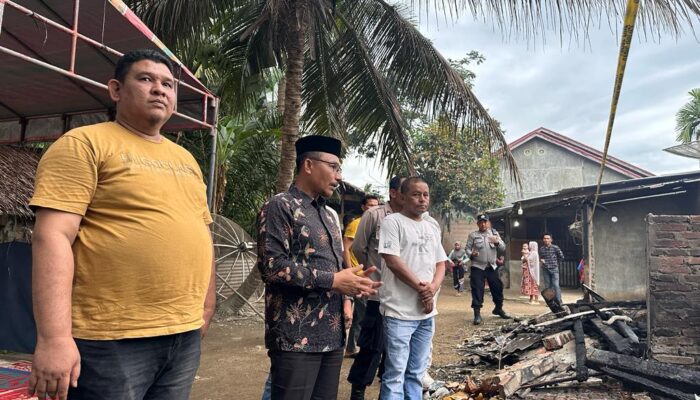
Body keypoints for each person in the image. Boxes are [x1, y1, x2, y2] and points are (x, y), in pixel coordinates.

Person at [28, 49, 216, 400]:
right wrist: (54, 338)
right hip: (109, 338)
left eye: (168, 84)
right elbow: (52, 235)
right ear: (115, 90)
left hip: (183, 333)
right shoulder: (84, 144)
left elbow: (201, 233)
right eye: (146, 79)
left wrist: (205, 309)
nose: (160, 89)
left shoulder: (186, 160)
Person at [256, 135, 381, 400]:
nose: (338, 176)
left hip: (332, 334)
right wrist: (334, 280)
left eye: (340, 169)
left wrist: (352, 287)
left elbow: (336, 266)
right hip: (295, 335)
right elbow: (272, 267)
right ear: (309, 165)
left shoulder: (329, 215)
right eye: (333, 167)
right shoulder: (280, 206)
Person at [378, 177, 448, 400]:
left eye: (425, 194)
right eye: (416, 194)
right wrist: (422, 289)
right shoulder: (392, 222)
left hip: (427, 313)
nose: (422, 199)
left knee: (416, 373)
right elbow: (393, 261)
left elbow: (440, 263)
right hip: (399, 311)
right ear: (402, 196)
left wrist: (433, 288)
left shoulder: (431, 226)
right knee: (395, 373)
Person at [347, 176, 404, 400]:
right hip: (378, 295)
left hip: (402, 297)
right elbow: (359, 248)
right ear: (393, 193)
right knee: (371, 345)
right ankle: (358, 389)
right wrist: (372, 273)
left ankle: (386, 391)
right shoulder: (374, 215)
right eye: (405, 190)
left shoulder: (410, 218)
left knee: (395, 350)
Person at [344, 194, 380, 357]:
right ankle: (354, 347)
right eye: (369, 205)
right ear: (363, 207)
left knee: (362, 313)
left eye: (375, 205)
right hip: (359, 274)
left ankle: (353, 347)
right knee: (362, 313)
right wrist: (350, 269)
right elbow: (347, 248)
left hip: (370, 275)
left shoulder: (378, 223)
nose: (372, 208)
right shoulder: (356, 224)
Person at [466, 214, 511, 325]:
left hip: (492, 266)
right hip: (477, 266)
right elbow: (467, 248)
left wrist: (496, 242)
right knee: (477, 289)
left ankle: (498, 309)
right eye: (481, 222)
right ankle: (477, 314)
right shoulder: (473, 235)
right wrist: (471, 254)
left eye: (485, 222)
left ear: (488, 223)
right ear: (478, 224)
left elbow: (503, 247)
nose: (483, 224)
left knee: (497, 287)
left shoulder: (494, 234)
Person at [539, 232, 565, 304]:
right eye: (544, 238)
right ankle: (551, 302)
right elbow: (541, 257)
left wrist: (555, 262)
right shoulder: (541, 249)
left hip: (554, 269)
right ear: (543, 240)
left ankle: (559, 301)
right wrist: (542, 261)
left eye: (548, 238)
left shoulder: (555, 248)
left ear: (551, 240)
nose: (546, 240)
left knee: (555, 285)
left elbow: (562, 257)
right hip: (545, 269)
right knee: (547, 286)